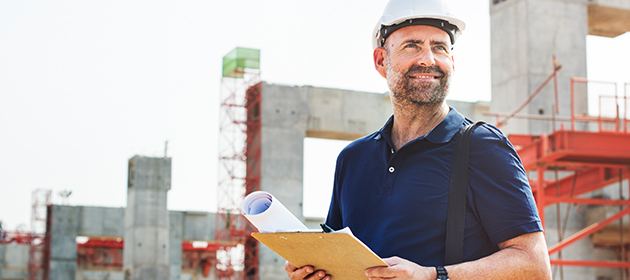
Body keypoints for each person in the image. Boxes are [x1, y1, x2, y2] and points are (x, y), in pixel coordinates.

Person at [285, 0, 552, 279]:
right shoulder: (353, 159)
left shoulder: (482, 147)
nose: (428, 59)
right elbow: (340, 262)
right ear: (380, 61)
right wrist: (316, 271)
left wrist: (432, 275)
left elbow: (534, 266)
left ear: (452, 61)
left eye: (439, 47)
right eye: (412, 45)